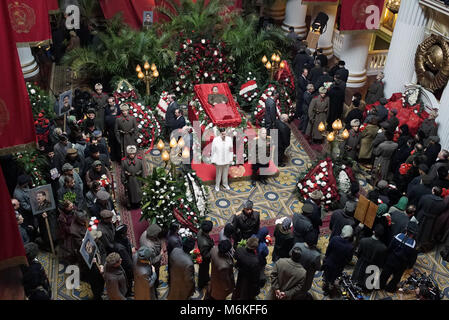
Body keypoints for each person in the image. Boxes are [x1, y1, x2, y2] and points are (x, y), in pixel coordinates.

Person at [380, 222, 419, 292]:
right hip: (401, 264)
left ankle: (380, 285)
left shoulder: (398, 236)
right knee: (396, 278)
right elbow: (412, 258)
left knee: (385, 274)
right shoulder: (413, 244)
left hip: (391, 260)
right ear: (414, 234)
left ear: (406, 230)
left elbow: (390, 248)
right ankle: (390, 289)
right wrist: (410, 266)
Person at [352, 224, 388, 289]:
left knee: (358, 276)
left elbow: (358, 253)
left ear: (373, 231)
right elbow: (381, 261)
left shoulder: (363, 241)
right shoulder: (383, 248)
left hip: (362, 262)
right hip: (373, 266)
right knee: (368, 280)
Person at [322, 225, 354, 297]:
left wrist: (326, 258)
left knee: (326, 275)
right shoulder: (350, 247)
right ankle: (329, 288)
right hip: (338, 267)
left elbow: (328, 251)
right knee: (333, 279)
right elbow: (349, 259)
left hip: (329, 262)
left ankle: (325, 286)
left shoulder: (334, 239)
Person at [416, 186, 446, 251]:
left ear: (433, 191)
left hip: (421, 216)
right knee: (427, 233)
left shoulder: (425, 197)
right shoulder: (442, 203)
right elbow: (440, 212)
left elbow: (419, 205)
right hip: (432, 220)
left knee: (417, 229)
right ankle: (421, 246)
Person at [295, 233, 321, 299]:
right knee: (304, 287)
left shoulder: (297, 245)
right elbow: (318, 267)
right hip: (307, 274)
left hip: (295, 270)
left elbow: (290, 254)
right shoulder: (316, 255)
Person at [139, 224, 162, 290]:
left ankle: (156, 282)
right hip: (152, 265)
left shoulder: (145, 232)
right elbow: (152, 261)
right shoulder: (149, 247)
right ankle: (155, 287)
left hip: (151, 255)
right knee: (154, 274)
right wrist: (161, 255)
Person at [114, 224, 134, 297]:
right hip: (125, 266)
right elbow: (128, 262)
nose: (127, 233)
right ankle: (128, 293)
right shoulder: (120, 248)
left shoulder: (119, 238)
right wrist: (132, 269)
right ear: (122, 234)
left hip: (126, 257)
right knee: (128, 280)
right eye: (125, 232)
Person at [197, 220, 215, 290]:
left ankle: (206, 278)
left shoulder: (200, 231)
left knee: (204, 270)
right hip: (204, 259)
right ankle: (201, 284)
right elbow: (206, 255)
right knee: (203, 270)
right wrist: (212, 251)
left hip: (203, 251)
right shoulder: (204, 243)